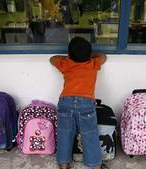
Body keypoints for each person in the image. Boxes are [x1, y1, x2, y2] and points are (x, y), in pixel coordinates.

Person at [50, 36, 107, 169]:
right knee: (90, 134)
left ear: (69, 54)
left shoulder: (65, 63)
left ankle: (63, 165)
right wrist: (89, 56)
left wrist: (68, 57)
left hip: (65, 102)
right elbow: (104, 56)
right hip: (86, 104)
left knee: (64, 133)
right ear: (89, 54)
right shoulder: (93, 63)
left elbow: (52, 59)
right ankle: (96, 166)